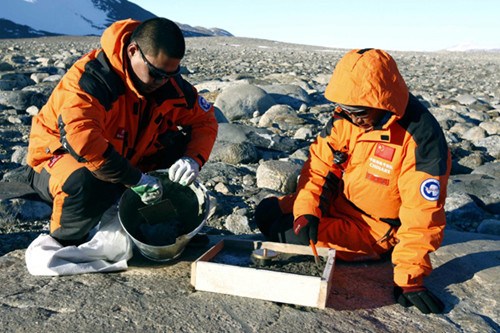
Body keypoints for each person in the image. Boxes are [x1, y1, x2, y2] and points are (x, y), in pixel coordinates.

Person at [254, 48, 451, 314]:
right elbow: (320, 166)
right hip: (339, 201)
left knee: (289, 236)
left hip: (373, 228)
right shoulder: (346, 117)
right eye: (346, 110)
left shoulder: (421, 139)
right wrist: (307, 211)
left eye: (358, 112)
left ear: (384, 103)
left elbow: (423, 213)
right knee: (268, 213)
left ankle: (377, 254)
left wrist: (409, 278)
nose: (352, 118)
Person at [26, 18, 218, 247]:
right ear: (133, 51)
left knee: (177, 155)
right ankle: (67, 242)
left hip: (125, 154)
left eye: (171, 74)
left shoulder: (168, 83)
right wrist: (135, 178)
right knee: (86, 182)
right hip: (55, 158)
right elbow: (83, 142)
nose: (163, 82)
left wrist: (192, 159)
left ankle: (161, 232)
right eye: (156, 73)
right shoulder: (90, 81)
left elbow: (205, 121)